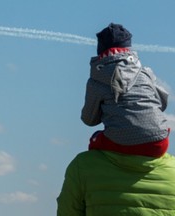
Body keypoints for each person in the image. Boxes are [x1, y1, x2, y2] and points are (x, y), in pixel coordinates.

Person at [56, 23, 175, 215]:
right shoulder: (145, 73)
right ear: (129, 48)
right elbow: (163, 100)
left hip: (119, 143)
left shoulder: (97, 78)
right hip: (158, 143)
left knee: (95, 139)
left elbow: (88, 119)